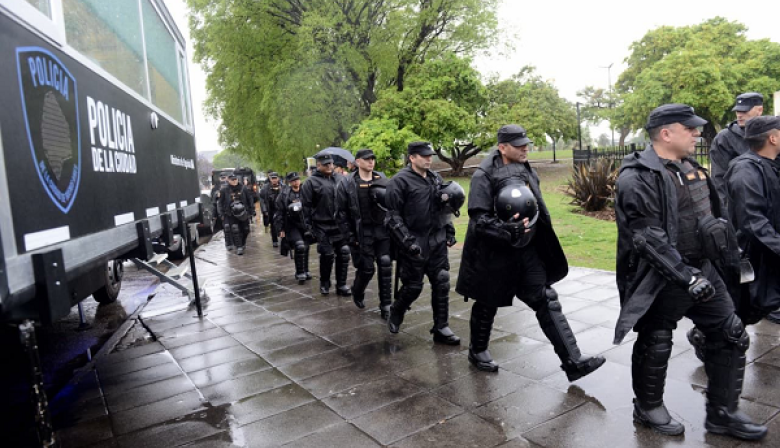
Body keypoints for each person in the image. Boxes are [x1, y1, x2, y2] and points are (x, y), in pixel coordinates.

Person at [614, 104, 766, 440]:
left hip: (705, 269)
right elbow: (647, 237)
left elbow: (715, 214)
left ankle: (723, 414)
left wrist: (731, 256)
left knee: (731, 333)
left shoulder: (691, 167)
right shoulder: (637, 176)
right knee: (656, 340)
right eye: (691, 129)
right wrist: (687, 277)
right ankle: (648, 406)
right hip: (663, 276)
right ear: (666, 133)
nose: (698, 134)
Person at [456, 124, 606, 378]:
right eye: (518, 145)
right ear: (502, 148)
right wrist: (506, 231)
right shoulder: (483, 175)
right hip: (494, 254)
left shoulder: (525, 167)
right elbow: (479, 220)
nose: (526, 147)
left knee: (546, 299)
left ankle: (573, 361)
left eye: (526, 143)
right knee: (487, 302)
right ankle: (478, 350)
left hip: (527, 250)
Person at [385, 141, 460, 345]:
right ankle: (397, 310)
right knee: (413, 287)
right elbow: (392, 217)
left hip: (436, 238)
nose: (429, 159)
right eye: (424, 155)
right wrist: (407, 242)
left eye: (430, 155)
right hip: (414, 241)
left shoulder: (435, 178)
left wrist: (449, 232)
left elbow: (444, 208)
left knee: (442, 280)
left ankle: (441, 327)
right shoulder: (399, 182)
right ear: (412, 158)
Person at [725, 116, 780, 323]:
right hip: (754, 254)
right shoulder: (745, 170)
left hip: (770, 250)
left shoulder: (771, 164)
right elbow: (752, 222)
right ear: (773, 138)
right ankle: (707, 337)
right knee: (746, 308)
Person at [335, 149, 392, 319]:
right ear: (357, 162)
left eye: (373, 159)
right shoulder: (347, 183)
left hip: (382, 230)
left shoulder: (381, 179)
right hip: (362, 232)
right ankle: (357, 290)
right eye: (367, 159)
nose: (371, 162)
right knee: (367, 269)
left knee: (385, 263)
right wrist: (350, 237)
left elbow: (392, 203)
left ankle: (386, 305)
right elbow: (341, 214)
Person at [302, 154, 352, 296]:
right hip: (321, 225)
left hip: (339, 225)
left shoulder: (340, 179)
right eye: (325, 164)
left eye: (331, 163)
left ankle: (341, 285)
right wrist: (308, 227)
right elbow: (306, 207)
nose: (329, 166)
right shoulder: (310, 183)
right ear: (318, 165)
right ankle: (325, 283)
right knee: (327, 255)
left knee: (344, 254)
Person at [710, 92, 764, 209]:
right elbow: (719, 179)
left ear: (760, 110)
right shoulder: (724, 138)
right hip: (740, 206)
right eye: (738, 111)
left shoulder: (772, 134)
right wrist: (726, 213)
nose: (739, 115)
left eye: (745, 111)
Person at [275, 172, 311, 283]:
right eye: (293, 180)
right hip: (291, 225)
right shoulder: (284, 194)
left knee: (306, 246)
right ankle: (300, 272)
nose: (296, 182)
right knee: (299, 246)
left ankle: (305, 269)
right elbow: (279, 212)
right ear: (290, 182)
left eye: (297, 179)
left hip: (305, 224)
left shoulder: (306, 191)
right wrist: (280, 229)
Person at [218, 174, 253, 255]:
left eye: (235, 179)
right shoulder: (224, 189)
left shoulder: (243, 188)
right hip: (230, 213)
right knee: (235, 229)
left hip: (243, 212)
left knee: (246, 230)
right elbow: (220, 203)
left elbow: (250, 199)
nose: (234, 181)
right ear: (229, 180)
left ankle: (242, 242)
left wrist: (251, 210)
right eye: (232, 180)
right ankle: (238, 247)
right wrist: (221, 214)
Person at [260, 172, 283, 248]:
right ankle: (275, 240)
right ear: (270, 179)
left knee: (283, 224)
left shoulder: (283, 186)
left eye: (275, 178)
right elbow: (262, 200)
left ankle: (284, 238)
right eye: (272, 178)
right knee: (273, 225)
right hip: (271, 210)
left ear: (278, 178)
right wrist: (264, 210)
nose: (274, 180)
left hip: (281, 209)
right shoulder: (265, 188)